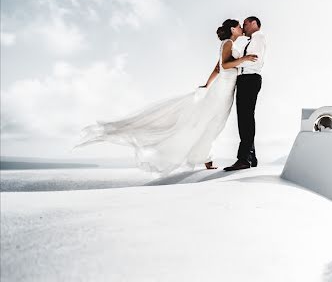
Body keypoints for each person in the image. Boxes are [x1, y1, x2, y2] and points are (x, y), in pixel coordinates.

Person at [75, 19, 258, 174]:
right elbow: (225, 65)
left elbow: (217, 67)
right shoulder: (228, 43)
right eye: (239, 26)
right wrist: (244, 60)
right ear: (233, 29)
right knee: (207, 121)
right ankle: (204, 157)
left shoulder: (232, 45)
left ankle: (204, 156)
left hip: (225, 91)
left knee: (212, 123)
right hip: (221, 91)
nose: (242, 28)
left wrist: (206, 84)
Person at [224, 16, 266, 171]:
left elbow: (253, 59)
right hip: (246, 79)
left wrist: (240, 60)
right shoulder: (250, 41)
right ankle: (251, 155)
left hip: (249, 78)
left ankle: (244, 158)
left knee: (245, 118)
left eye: (246, 24)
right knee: (246, 117)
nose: (243, 26)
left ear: (255, 23)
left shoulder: (259, 37)